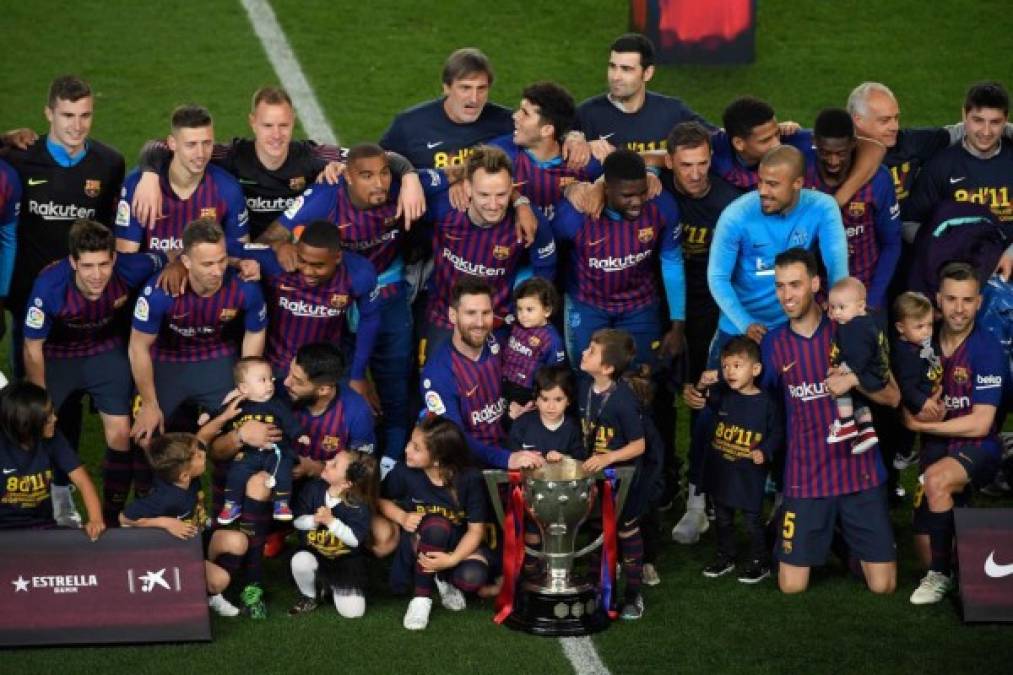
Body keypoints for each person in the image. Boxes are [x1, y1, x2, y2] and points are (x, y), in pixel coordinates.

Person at [258, 145, 414, 457]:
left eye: (384, 174)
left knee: (394, 387)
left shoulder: (402, 188)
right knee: (334, 385)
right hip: (337, 301)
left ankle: (389, 464)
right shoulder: (324, 196)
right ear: (347, 177)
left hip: (385, 287)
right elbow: (267, 238)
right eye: (367, 176)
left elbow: (455, 174)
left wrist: (410, 176)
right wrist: (279, 246)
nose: (380, 183)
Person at [761, 248, 899, 595]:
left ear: (816, 284)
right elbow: (765, 403)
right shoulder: (773, 344)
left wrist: (854, 381)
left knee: (883, 587)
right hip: (806, 475)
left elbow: (893, 397)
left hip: (859, 470)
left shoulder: (851, 329)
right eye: (780, 286)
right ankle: (828, 533)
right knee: (791, 587)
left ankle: (842, 537)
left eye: (795, 284)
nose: (787, 295)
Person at [23, 219, 164, 525]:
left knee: (121, 434)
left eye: (104, 264)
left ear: (114, 258)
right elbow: (32, 347)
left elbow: (169, 259)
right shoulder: (49, 286)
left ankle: (112, 517)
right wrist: (41, 400)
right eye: (87, 266)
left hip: (104, 350)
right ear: (72, 262)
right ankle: (46, 509)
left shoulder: (131, 266)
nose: (97, 275)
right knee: (36, 428)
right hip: (57, 355)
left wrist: (176, 268)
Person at [5, 75, 125, 376]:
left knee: (71, 384)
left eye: (85, 115)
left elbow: (111, 227)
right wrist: (4, 138)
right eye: (67, 115)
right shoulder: (19, 158)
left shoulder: (109, 163)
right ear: (49, 114)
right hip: (29, 291)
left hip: (82, 293)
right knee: (27, 387)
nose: (77, 126)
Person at [658, 122, 743, 543]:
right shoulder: (654, 190)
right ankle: (661, 482)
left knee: (704, 400)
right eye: (686, 165)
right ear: (668, 161)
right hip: (661, 307)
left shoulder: (729, 202)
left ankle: (699, 498)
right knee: (656, 396)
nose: (695, 174)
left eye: (703, 164)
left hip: (712, 310)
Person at [903, 262, 1006, 605]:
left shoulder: (988, 349)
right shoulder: (920, 341)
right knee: (927, 547)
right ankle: (963, 557)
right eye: (951, 299)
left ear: (979, 302)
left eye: (967, 300)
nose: (959, 308)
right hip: (935, 448)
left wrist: (924, 426)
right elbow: (901, 387)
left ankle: (940, 577)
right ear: (938, 300)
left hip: (978, 446)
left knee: (936, 481)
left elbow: (980, 423)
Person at [128, 218, 267, 444]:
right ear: (186, 261)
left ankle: (227, 479)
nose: (217, 271)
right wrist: (150, 404)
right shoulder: (159, 293)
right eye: (207, 264)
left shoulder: (245, 287)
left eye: (222, 261)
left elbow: (255, 333)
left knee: (246, 428)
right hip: (166, 359)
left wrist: (248, 382)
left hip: (216, 355)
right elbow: (138, 346)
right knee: (146, 437)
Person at [708, 145, 849, 354]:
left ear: (798, 183)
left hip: (794, 326)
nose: (763, 191)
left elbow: (837, 266)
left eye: (773, 184)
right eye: (761, 182)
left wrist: (839, 309)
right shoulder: (735, 216)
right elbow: (717, 277)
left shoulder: (823, 207)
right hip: (739, 328)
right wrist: (746, 324)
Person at [553, 149, 685, 372]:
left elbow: (672, 262)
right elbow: (549, 253)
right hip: (588, 305)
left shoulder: (661, 205)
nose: (637, 202)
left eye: (641, 193)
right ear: (606, 189)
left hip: (640, 306)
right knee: (588, 375)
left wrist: (678, 325)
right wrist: (570, 188)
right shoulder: (575, 216)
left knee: (640, 378)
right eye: (627, 196)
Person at [420, 145, 556, 357]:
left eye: (501, 194)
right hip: (445, 317)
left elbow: (545, 269)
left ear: (512, 188)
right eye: (484, 194)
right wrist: (447, 176)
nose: (493, 205)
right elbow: (402, 180)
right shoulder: (443, 208)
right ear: (467, 188)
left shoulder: (529, 221)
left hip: (498, 323)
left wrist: (525, 316)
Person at [234, 219, 381, 414]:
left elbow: (370, 320)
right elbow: (227, 247)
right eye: (303, 261)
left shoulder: (359, 273)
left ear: (337, 257)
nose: (307, 271)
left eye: (318, 266)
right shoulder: (275, 261)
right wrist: (275, 246)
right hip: (276, 365)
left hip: (324, 369)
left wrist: (357, 376)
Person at [119, 410, 249, 618]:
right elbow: (124, 518)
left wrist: (226, 416)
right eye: (198, 456)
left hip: (196, 536)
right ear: (185, 475)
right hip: (177, 553)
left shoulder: (183, 473)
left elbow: (201, 439)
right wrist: (166, 523)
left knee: (238, 541)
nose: (202, 453)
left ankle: (203, 581)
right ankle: (207, 593)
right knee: (221, 580)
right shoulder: (165, 498)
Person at [379, 415, 493, 630]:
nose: (406, 450)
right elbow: (377, 499)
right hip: (420, 542)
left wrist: (452, 559)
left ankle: (442, 576)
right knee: (436, 525)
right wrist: (401, 517)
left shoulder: (469, 478)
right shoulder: (404, 472)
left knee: (471, 578)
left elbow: (476, 531)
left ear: (438, 458)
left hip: (457, 546)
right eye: (410, 443)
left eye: (416, 448)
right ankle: (421, 598)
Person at [421, 276, 543, 471]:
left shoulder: (497, 342)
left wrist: (515, 406)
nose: (480, 323)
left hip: (512, 444)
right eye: (470, 313)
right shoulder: (438, 374)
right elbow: (454, 438)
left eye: (486, 313)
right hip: (472, 467)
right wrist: (506, 459)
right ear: (453, 315)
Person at [696, 337, 782, 583]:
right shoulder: (723, 394)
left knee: (752, 520)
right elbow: (701, 399)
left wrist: (764, 451)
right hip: (721, 472)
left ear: (755, 369)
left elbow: (778, 432)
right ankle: (726, 556)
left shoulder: (766, 403)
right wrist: (702, 384)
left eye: (737, 365)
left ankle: (760, 561)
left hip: (748, 475)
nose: (729, 372)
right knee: (722, 519)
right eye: (725, 366)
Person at [115, 105, 249, 258]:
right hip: (152, 277)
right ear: (172, 143)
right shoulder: (138, 186)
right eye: (191, 145)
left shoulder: (227, 188)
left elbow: (240, 254)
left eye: (207, 143)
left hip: (206, 277)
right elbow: (125, 261)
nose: (200, 154)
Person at [578, 329, 648, 619]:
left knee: (625, 533)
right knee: (598, 532)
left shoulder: (623, 399)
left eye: (592, 351)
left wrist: (609, 458)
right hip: (597, 480)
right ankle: (598, 588)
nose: (583, 352)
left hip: (623, 481)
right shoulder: (586, 388)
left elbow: (639, 444)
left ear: (607, 368)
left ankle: (633, 594)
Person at [807, 108, 901, 310]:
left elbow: (891, 243)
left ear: (854, 143)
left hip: (865, 296)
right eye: (825, 153)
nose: (833, 161)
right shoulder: (803, 173)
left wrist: (872, 300)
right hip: (819, 299)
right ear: (814, 142)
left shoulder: (879, 180)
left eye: (841, 153)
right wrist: (813, 300)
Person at [577, 33, 713, 157]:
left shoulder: (673, 112)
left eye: (626, 69)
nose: (615, 77)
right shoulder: (586, 114)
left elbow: (718, 139)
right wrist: (582, 145)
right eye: (612, 66)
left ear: (647, 73)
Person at [0, 381, 103, 540]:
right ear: (26, 425)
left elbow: (83, 481)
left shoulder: (54, 438)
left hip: (42, 526)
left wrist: (96, 519)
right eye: (47, 417)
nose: (55, 418)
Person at [905, 82, 1013, 235]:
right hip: (959, 257)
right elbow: (909, 223)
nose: (986, 131)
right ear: (964, 115)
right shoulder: (940, 165)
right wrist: (943, 248)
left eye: (995, 122)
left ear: (1005, 120)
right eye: (978, 120)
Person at [484, 81, 602, 220]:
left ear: (547, 130)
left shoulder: (581, 160)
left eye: (525, 113)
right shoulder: (500, 151)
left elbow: (623, 180)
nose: (515, 116)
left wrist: (601, 186)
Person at [289, 450, 378, 619]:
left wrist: (331, 522)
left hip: (345, 562)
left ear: (347, 483)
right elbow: (296, 522)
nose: (327, 462)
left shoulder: (359, 505)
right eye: (332, 459)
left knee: (353, 613)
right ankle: (309, 595)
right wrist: (314, 520)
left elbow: (354, 541)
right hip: (314, 553)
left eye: (335, 464)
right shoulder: (313, 488)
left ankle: (329, 586)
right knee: (299, 560)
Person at [217, 357, 305, 524]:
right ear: (244, 388)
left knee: (284, 470)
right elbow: (221, 415)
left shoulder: (277, 404)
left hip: (275, 452)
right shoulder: (237, 405)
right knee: (236, 472)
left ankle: (282, 503)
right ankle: (231, 504)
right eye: (262, 380)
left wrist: (299, 434)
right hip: (248, 453)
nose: (270, 384)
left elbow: (289, 421)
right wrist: (209, 416)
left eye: (271, 379)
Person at [826, 277, 891, 453]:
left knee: (840, 383)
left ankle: (846, 423)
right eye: (833, 307)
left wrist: (844, 370)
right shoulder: (864, 321)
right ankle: (867, 428)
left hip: (870, 373)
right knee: (857, 395)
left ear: (861, 306)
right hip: (875, 373)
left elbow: (860, 357)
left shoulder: (857, 328)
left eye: (841, 307)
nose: (836, 313)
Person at [890, 291, 943, 470]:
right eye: (919, 326)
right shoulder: (903, 354)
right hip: (914, 401)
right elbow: (904, 386)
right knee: (907, 430)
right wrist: (922, 401)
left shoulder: (924, 343)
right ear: (901, 327)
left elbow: (934, 357)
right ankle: (902, 454)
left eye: (929, 325)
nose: (926, 331)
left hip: (929, 391)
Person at [501, 277, 566, 410]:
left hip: (527, 392)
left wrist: (540, 397)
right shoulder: (515, 324)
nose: (523, 315)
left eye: (529, 310)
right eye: (519, 309)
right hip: (504, 382)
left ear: (547, 310)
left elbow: (555, 374)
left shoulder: (551, 339)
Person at [507, 364, 585, 462]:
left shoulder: (573, 427)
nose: (551, 406)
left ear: (568, 400)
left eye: (558, 399)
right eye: (545, 399)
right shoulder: (522, 424)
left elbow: (580, 460)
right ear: (536, 399)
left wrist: (563, 458)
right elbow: (511, 457)